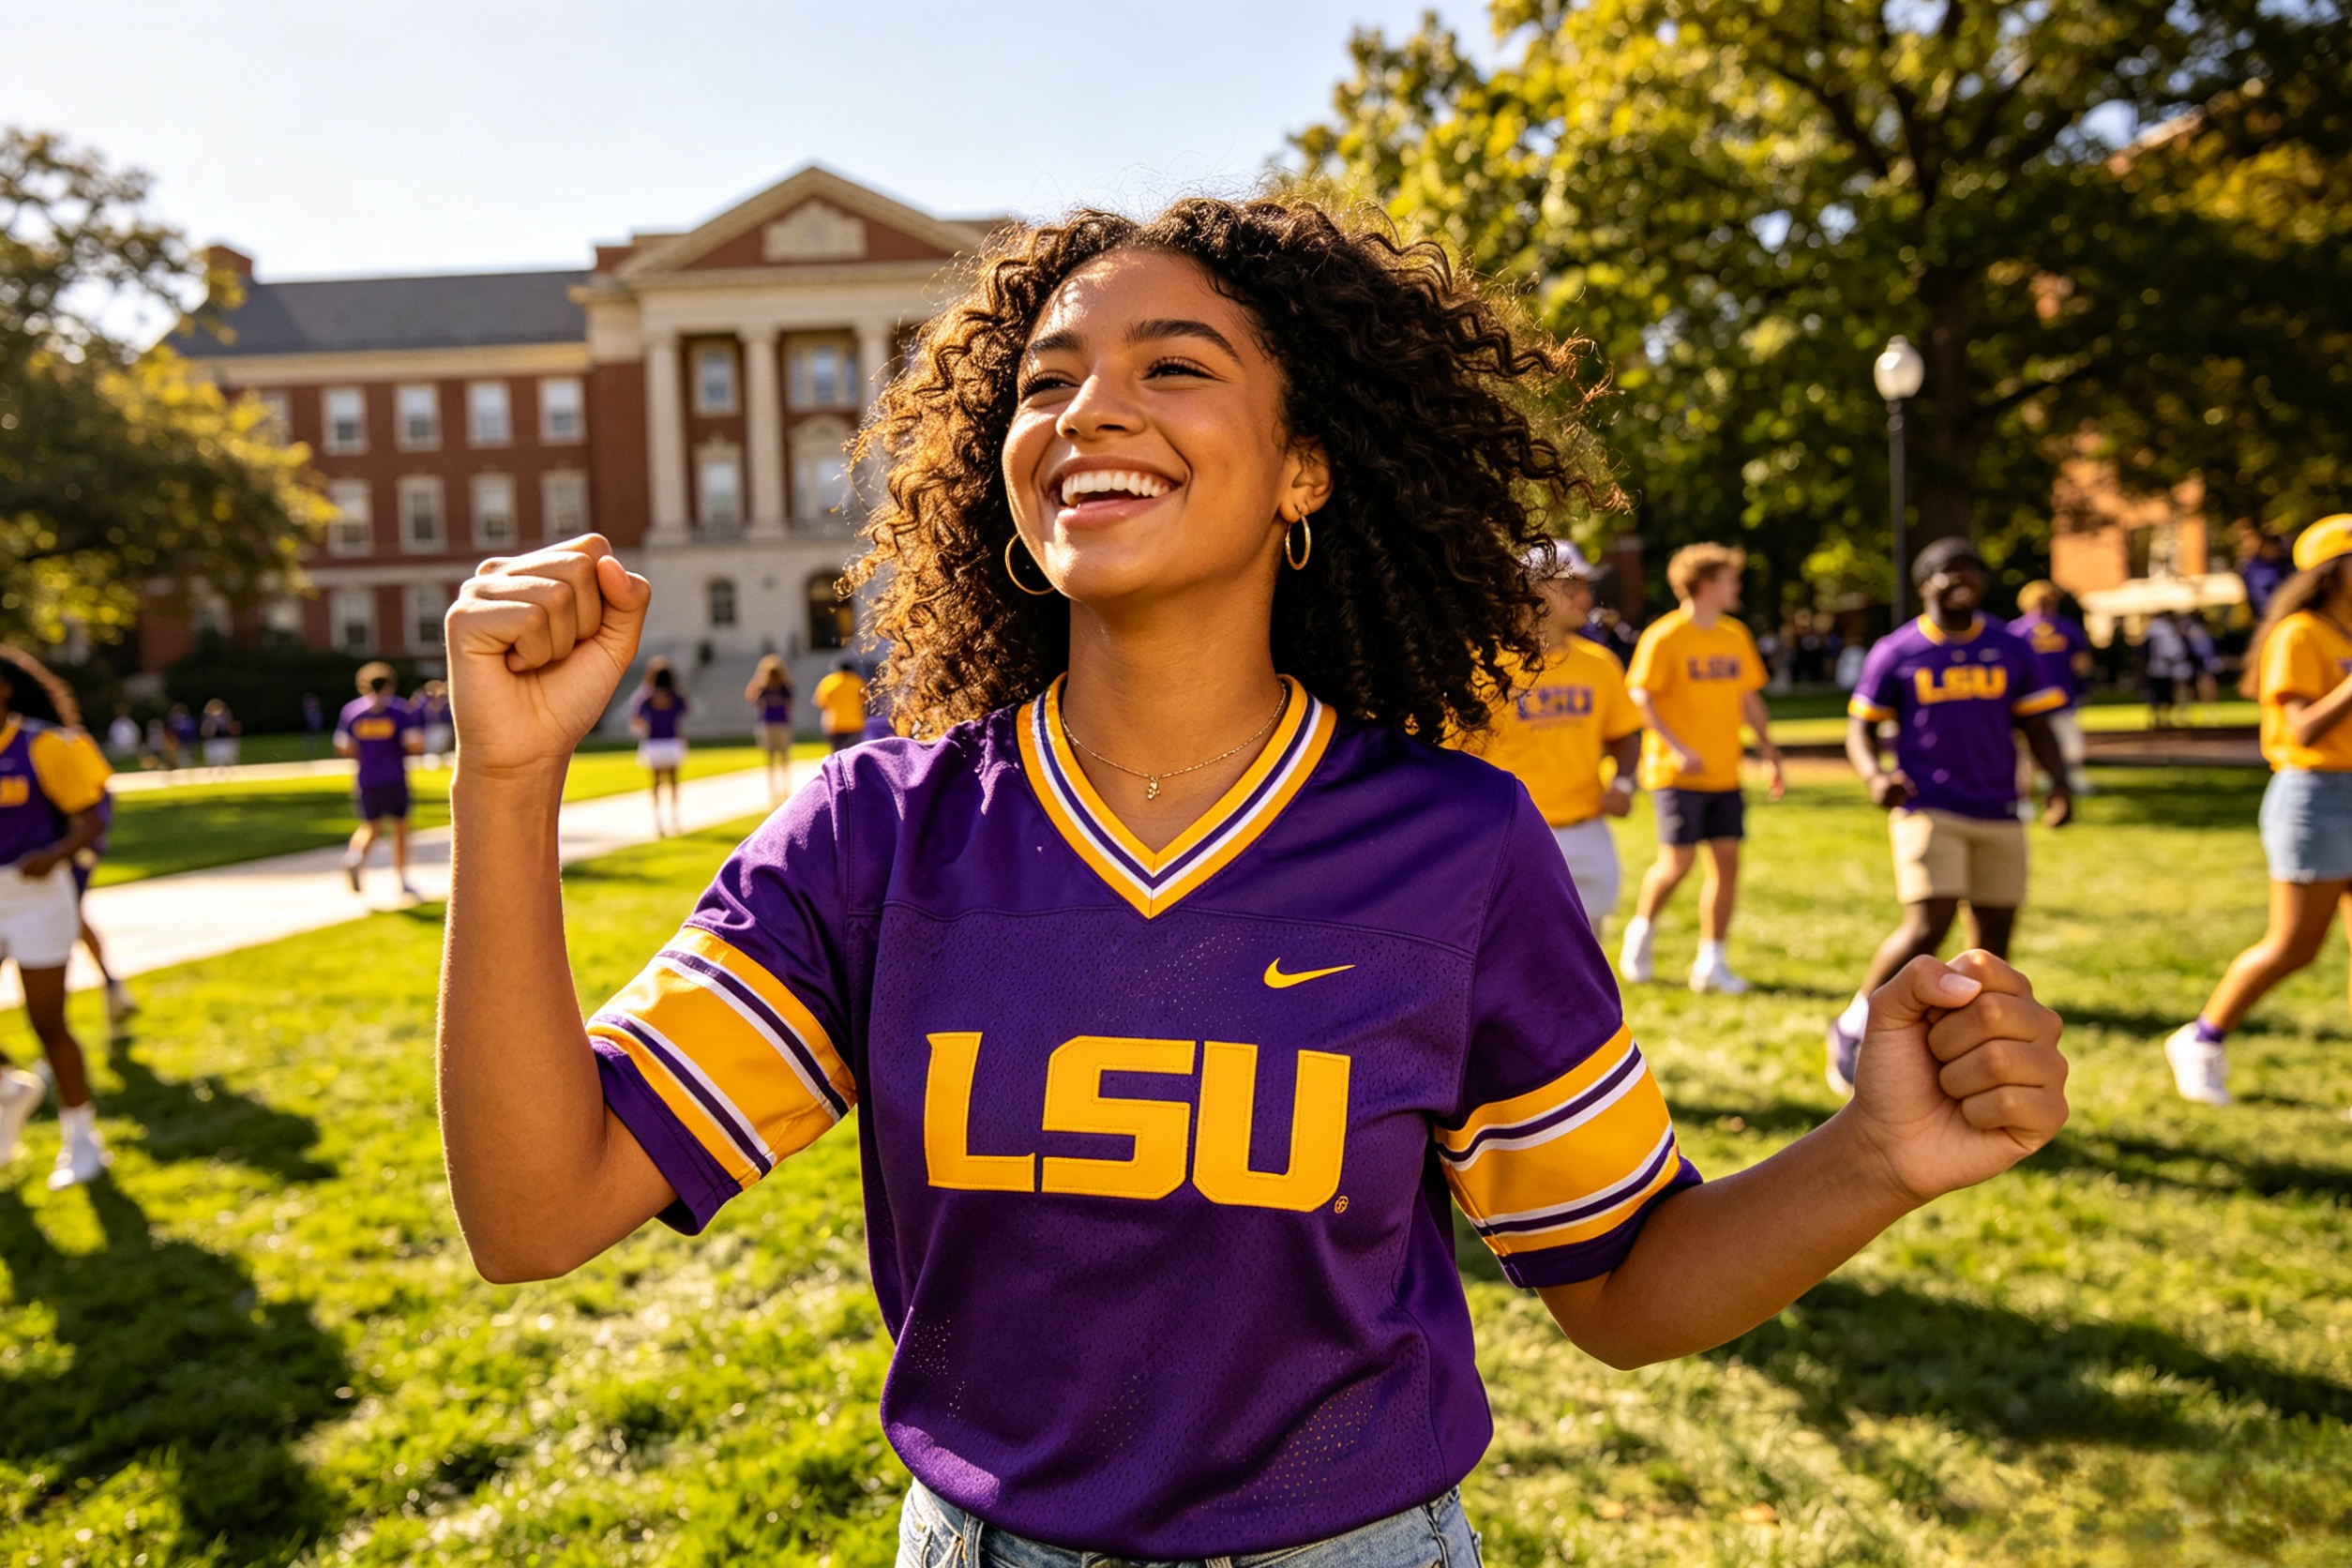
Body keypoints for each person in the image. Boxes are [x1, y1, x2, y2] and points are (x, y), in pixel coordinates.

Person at [436, 198, 2070, 1563]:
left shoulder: (1453, 844)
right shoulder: (876, 832)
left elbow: (1625, 1283)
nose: (1087, 412)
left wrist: (1874, 1155)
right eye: (1046, 380)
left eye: (1173, 366)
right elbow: (535, 1208)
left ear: (1304, 467)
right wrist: (507, 782)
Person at [1830, 539, 2075, 1093]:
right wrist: (1874, 776)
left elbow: (2036, 726)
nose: (1962, 580)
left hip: (1998, 808)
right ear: (1925, 584)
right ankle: (1855, 1024)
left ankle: (1969, 1052)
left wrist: (2059, 783)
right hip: (1926, 805)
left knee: (1991, 949)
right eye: (1948, 572)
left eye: (1972, 571)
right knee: (1928, 922)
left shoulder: (2011, 648)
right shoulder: (1898, 651)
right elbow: (1860, 727)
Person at [2164, 514, 2352, 1105]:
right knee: (2295, 944)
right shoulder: (2299, 633)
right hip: (2314, 796)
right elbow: (2303, 725)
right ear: (2335, 568)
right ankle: (2201, 1036)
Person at [1617, 543, 1786, 993]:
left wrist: (1768, 749)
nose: (1738, 587)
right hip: (1676, 775)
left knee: (1727, 862)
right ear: (1707, 583)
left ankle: (1712, 962)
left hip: (1723, 774)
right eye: (1732, 579)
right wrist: (1675, 747)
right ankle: (1641, 934)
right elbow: (1640, 697)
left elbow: (1748, 698)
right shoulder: (1665, 636)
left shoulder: (1735, 636)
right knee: (1678, 863)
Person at [1452, 541, 1642, 933]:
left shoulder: (1600, 665)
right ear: (1532, 592)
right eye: (1572, 585)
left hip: (1586, 829)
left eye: (1586, 585)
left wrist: (1623, 783)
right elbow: (1451, 756)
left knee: (1588, 956)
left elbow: (1624, 735)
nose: (1586, 596)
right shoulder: (1482, 666)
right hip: (1510, 837)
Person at [0, 656, 115, 1188]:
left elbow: (90, 817)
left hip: (38, 896)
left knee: (48, 1024)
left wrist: (56, 852)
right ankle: (10, 1091)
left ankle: (83, 1140)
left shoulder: (43, 745)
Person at [336, 662, 422, 899]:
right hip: (394, 776)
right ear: (390, 684)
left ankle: (355, 857)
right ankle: (403, 879)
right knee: (401, 828)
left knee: (371, 826)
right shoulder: (399, 711)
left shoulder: (352, 712)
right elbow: (414, 743)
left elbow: (344, 746)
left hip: (367, 778)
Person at [2009, 580, 2096, 797]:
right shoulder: (2017, 631)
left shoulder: (2066, 627)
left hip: (2060, 696)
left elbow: (2081, 662)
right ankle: (2029, 786)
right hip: (2030, 699)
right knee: (2026, 747)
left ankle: (2064, 778)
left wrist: (2082, 686)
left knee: (2069, 743)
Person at [630, 659, 690, 837]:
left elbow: (636, 719)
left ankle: (658, 821)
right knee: (673, 781)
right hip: (672, 741)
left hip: (654, 743)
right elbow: (686, 710)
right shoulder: (676, 694)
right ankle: (675, 817)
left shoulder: (647, 696)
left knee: (655, 783)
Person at [745, 656, 796, 801]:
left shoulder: (784, 686)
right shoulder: (763, 686)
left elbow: (790, 701)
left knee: (779, 758)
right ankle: (776, 788)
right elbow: (752, 697)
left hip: (776, 723)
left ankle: (782, 788)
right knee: (776, 758)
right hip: (772, 724)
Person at [2143, 611, 2191, 730]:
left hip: (2171, 668)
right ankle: (2158, 718)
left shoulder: (2173, 627)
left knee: (2169, 695)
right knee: (2158, 694)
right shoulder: (2158, 626)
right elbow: (2153, 646)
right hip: (2159, 668)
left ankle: (2167, 718)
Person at [814, 658, 867, 753]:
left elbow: (821, 703)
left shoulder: (829, 682)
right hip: (855, 723)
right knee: (853, 753)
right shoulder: (857, 682)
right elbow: (865, 702)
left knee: (837, 753)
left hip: (834, 724)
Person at [414, 679, 454, 769]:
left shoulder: (445, 702)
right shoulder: (423, 702)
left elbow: (448, 718)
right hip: (427, 729)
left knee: (441, 739)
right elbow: (418, 716)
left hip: (442, 728)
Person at [200, 698, 241, 774]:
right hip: (213, 743)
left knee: (227, 760)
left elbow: (232, 730)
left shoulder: (226, 717)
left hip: (225, 741)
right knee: (213, 762)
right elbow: (205, 732)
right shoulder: (208, 720)